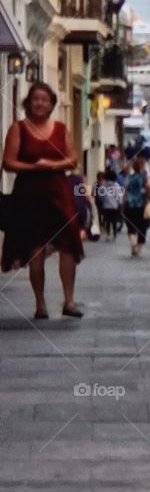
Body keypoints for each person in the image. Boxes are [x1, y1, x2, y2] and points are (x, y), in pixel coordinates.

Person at [1, 80, 85, 319]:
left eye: (44, 100)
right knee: (36, 248)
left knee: (68, 244)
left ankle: (69, 301)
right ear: (29, 102)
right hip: (29, 195)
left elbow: (72, 160)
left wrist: (51, 164)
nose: (40, 103)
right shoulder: (19, 129)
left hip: (59, 193)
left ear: (51, 105)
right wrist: (33, 167)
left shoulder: (60, 129)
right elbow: (8, 162)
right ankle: (40, 304)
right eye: (36, 99)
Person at [122, 155, 150, 256]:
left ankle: (133, 245)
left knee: (131, 228)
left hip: (129, 206)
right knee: (142, 228)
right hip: (142, 206)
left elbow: (125, 193)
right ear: (142, 167)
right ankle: (139, 249)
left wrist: (122, 205)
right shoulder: (145, 178)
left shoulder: (128, 178)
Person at [99, 169, 123, 239]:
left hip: (106, 206)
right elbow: (119, 195)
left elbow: (101, 195)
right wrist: (120, 203)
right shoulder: (116, 185)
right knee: (114, 221)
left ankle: (108, 233)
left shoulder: (103, 185)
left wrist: (102, 201)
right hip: (114, 206)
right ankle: (114, 234)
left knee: (107, 220)